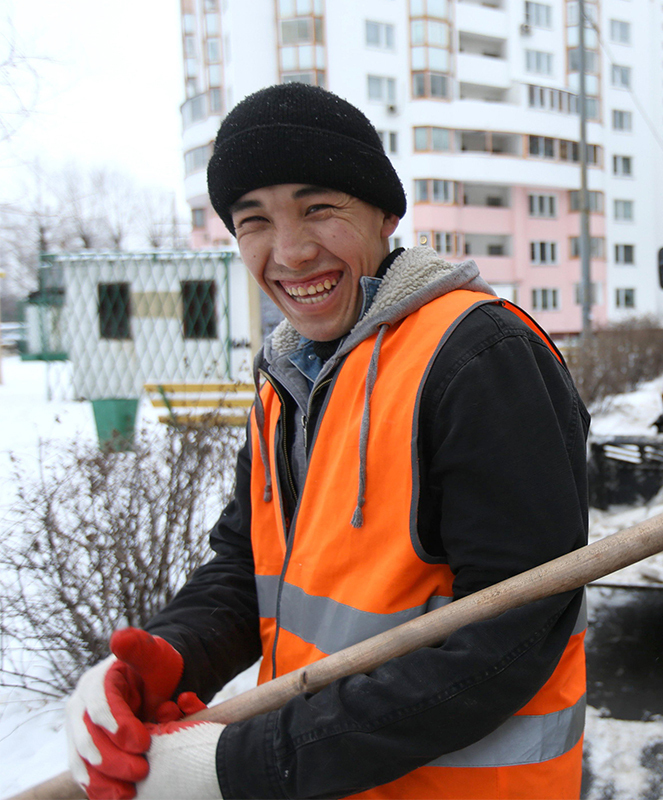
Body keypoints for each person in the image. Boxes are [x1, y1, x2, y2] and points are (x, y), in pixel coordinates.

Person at [64, 83, 589, 799]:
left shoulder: (477, 357)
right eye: (253, 221)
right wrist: (171, 654)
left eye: (319, 208)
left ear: (385, 213)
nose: (291, 250)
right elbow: (248, 563)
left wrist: (251, 765)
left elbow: (507, 637)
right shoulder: (286, 377)